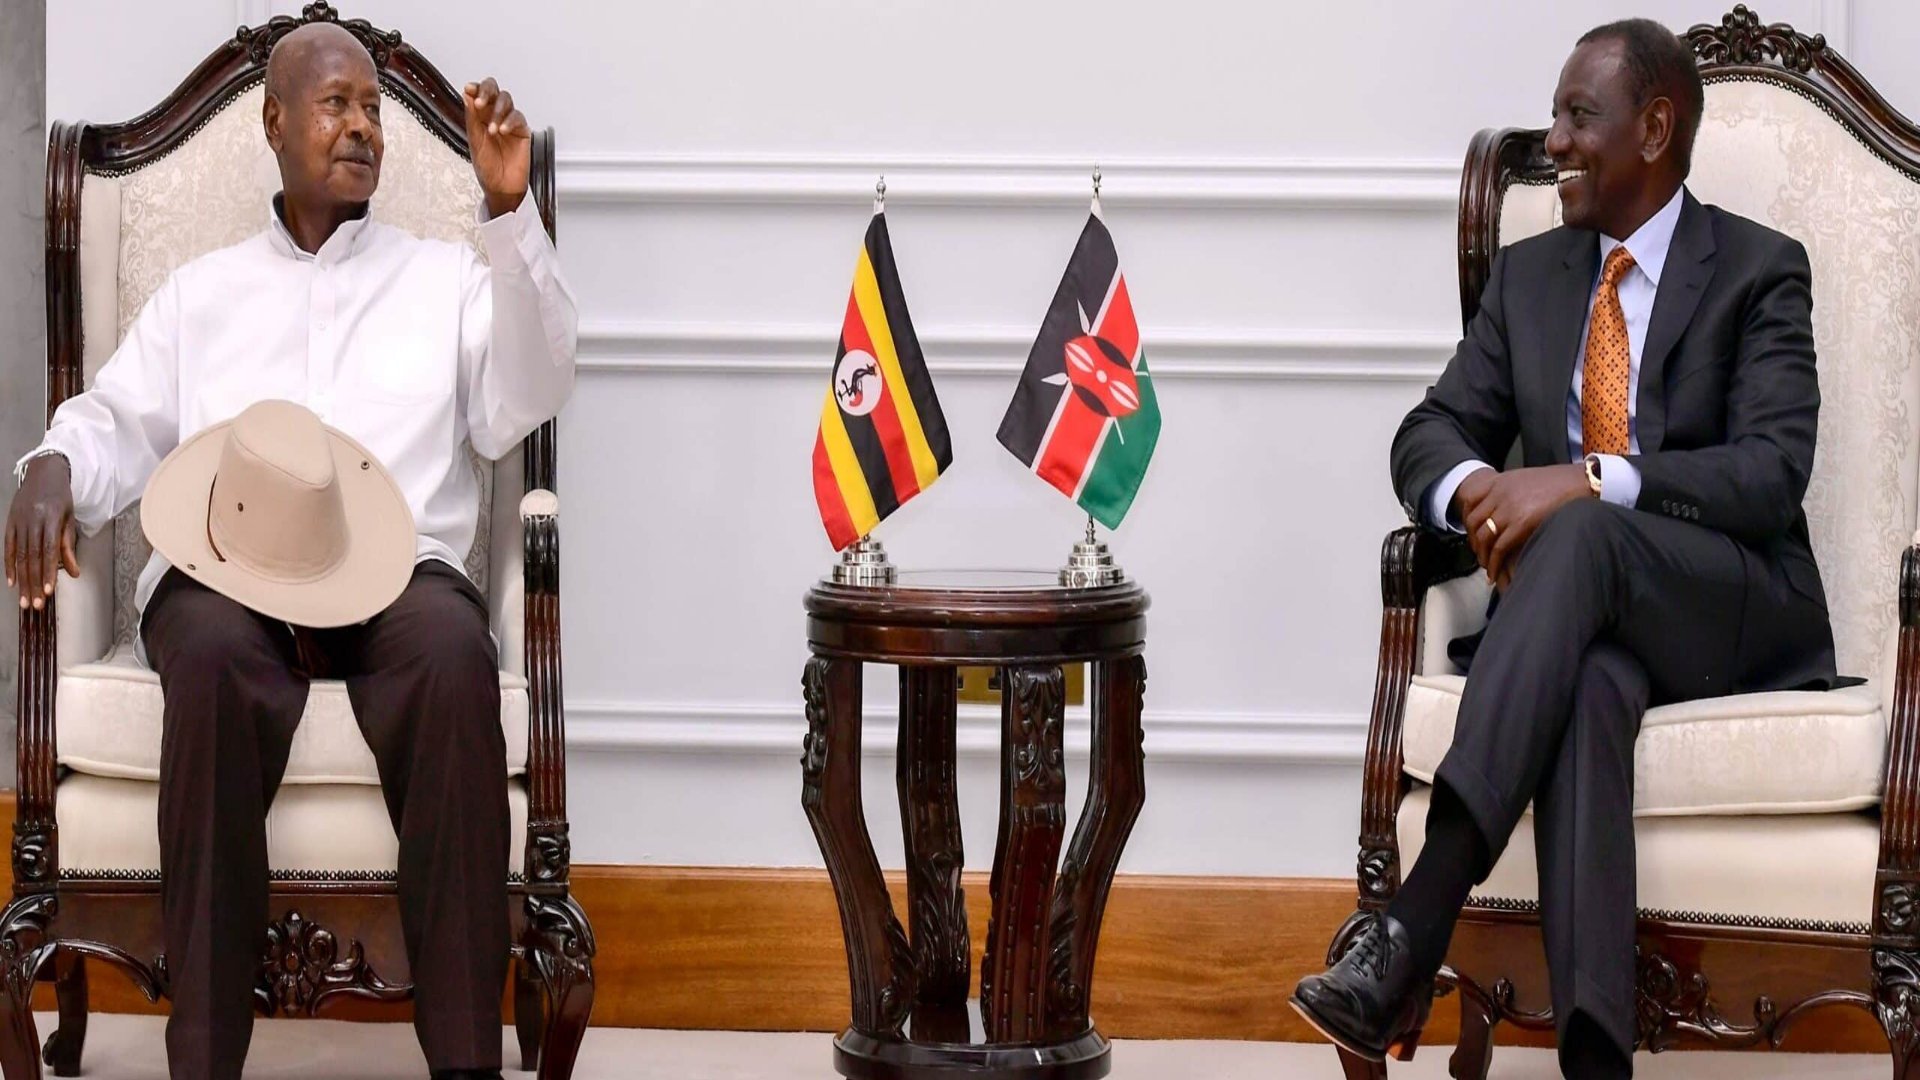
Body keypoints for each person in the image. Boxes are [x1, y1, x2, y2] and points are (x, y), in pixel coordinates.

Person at [2, 22, 575, 1080]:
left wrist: (509, 218)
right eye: (334, 105)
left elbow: (527, 399)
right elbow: (117, 419)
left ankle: (465, 1065)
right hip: (229, 581)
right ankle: (207, 1060)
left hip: (403, 583)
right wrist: (51, 466)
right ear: (273, 124)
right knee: (211, 663)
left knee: (454, 664)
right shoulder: (202, 293)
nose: (361, 126)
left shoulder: (446, 278)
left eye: (372, 109)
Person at [1291, 18, 1838, 1079]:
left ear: (1655, 127)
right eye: (1552, 116)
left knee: (1585, 529)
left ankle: (1417, 920)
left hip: (1735, 605)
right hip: (1584, 620)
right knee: (1590, 683)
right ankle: (1596, 1060)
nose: (1555, 143)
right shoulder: (1533, 276)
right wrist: (1479, 491)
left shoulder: (1761, 272)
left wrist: (1587, 479)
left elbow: (1771, 474)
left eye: (1579, 116)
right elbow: (1430, 428)